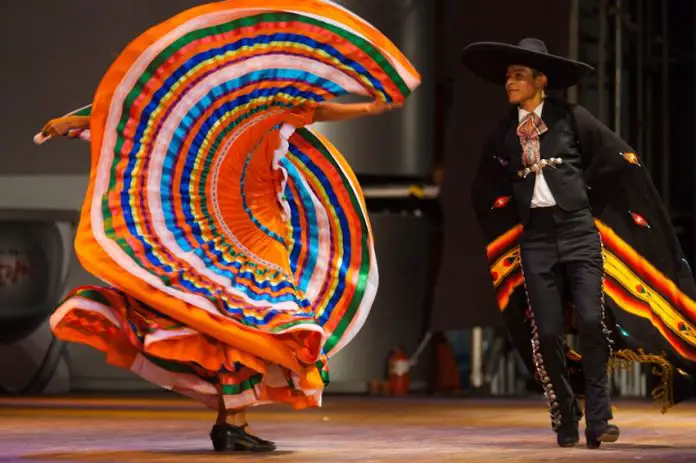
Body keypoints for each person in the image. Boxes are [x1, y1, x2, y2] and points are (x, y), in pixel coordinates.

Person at [38, 0, 420, 453]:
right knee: (253, 323)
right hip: (236, 228)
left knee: (242, 323)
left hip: (262, 226)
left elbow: (317, 110)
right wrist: (78, 121)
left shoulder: (271, 111)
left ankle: (231, 422)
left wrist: (370, 106)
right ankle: (233, 421)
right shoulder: (233, 110)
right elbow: (147, 110)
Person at [462, 37, 696, 449]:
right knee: (549, 331)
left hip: (578, 232)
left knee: (591, 320)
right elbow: (483, 186)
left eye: (518, 76)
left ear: (540, 80)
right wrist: (509, 209)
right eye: (507, 77)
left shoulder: (572, 119)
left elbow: (619, 159)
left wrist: (586, 198)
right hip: (535, 240)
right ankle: (566, 412)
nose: (510, 83)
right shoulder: (503, 132)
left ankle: (600, 417)